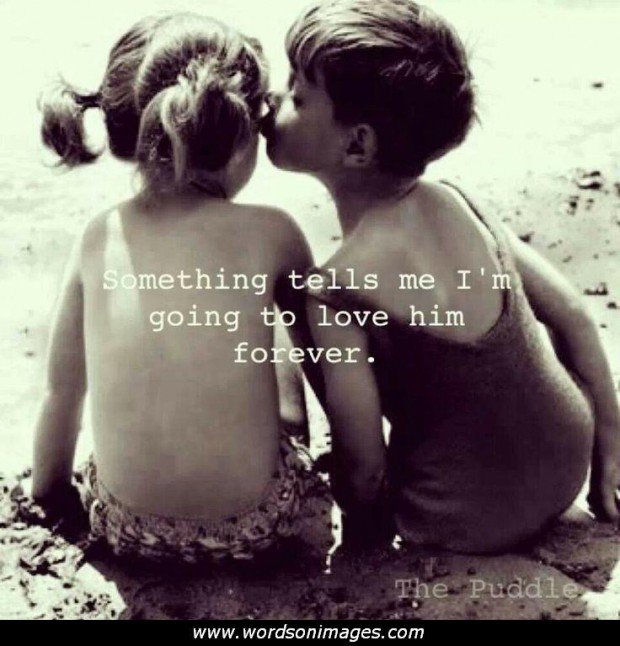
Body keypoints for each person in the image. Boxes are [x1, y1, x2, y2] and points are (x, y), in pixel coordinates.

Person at [263, 0, 620, 552]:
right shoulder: (460, 202)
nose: (272, 100)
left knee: (287, 295)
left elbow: (365, 465)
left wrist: (362, 531)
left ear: (358, 145)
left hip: (464, 515)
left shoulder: (337, 289)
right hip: (568, 461)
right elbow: (572, 314)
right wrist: (611, 446)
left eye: (297, 95)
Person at [32, 12, 328, 562]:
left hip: (127, 528)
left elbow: (62, 392)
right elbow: (325, 363)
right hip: (257, 527)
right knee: (274, 327)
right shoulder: (275, 232)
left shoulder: (98, 235)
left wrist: (50, 495)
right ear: (238, 136)